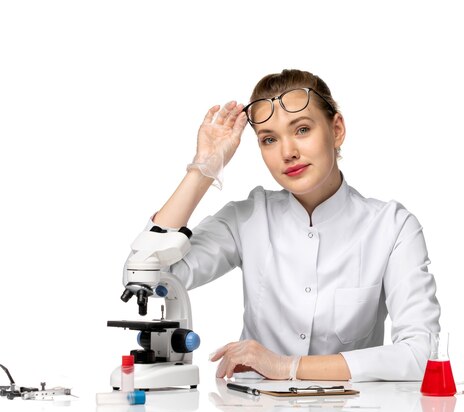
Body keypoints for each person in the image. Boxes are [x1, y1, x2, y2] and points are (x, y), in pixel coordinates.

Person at [134, 69, 440, 382]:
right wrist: (203, 169)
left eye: (303, 129)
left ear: (336, 130)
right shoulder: (249, 218)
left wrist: (286, 367)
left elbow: (420, 354)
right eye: (269, 139)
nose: (287, 152)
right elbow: (152, 274)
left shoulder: (392, 228)